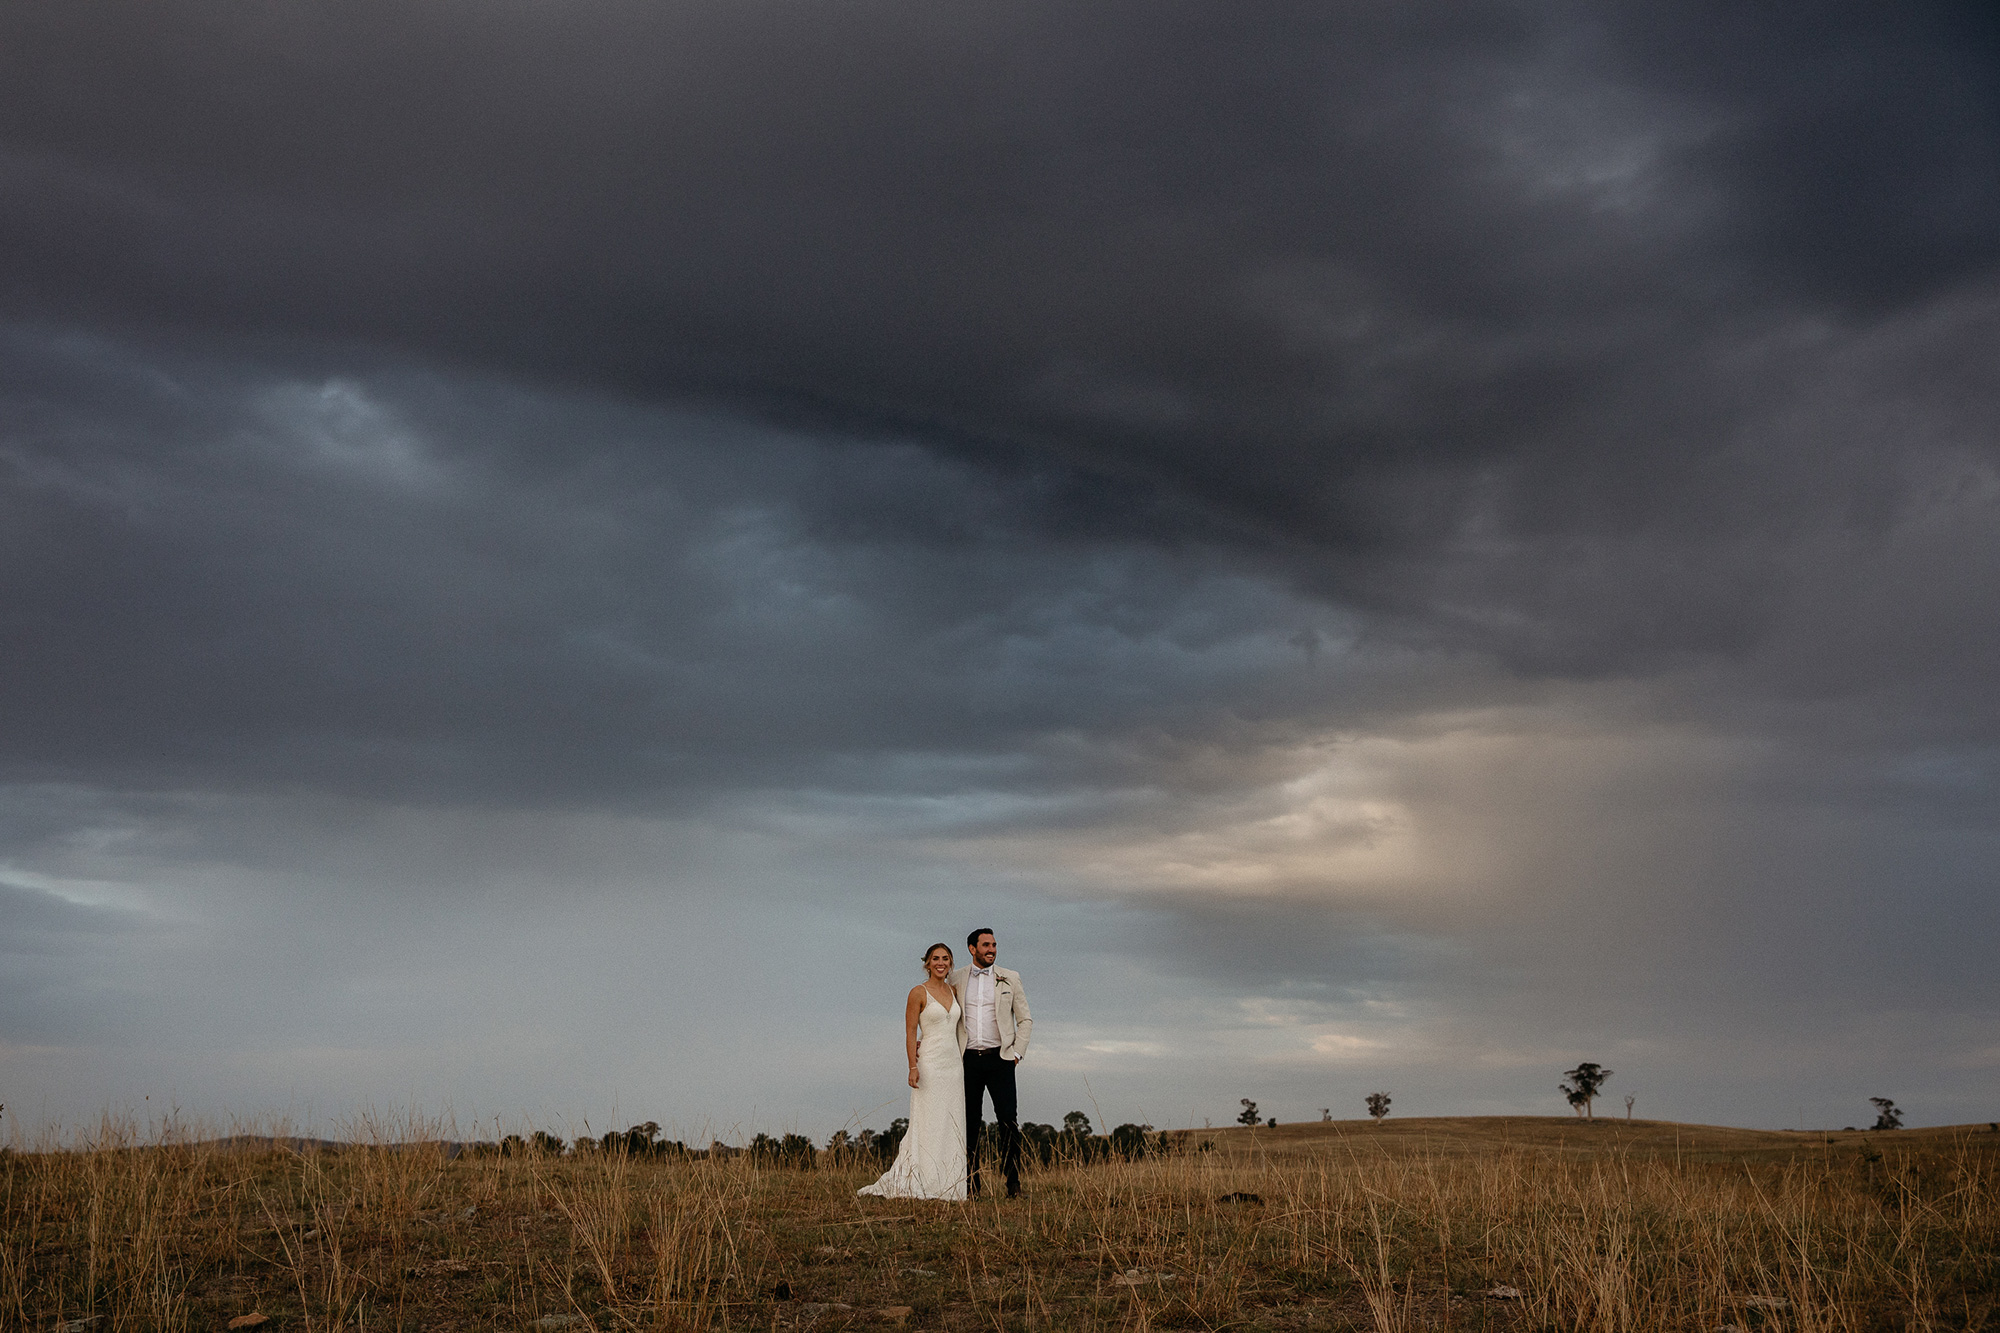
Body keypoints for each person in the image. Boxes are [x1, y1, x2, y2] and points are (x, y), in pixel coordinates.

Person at [857, 943, 968, 1200]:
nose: (941, 963)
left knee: (951, 1122)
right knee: (928, 1120)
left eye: (946, 959)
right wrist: (912, 1066)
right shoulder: (918, 993)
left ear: (951, 963)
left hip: (953, 1066)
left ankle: (949, 1183)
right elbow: (910, 1032)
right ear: (927, 963)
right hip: (929, 1063)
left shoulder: (953, 991)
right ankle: (923, 1179)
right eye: (935, 959)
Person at [951, 928, 1032, 1198]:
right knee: (970, 1123)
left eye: (994, 945)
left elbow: (1025, 1020)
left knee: (1008, 1122)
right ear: (972, 949)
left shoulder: (1010, 978)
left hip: (1001, 1060)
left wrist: (1017, 1053)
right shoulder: (956, 978)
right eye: (986, 945)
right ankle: (971, 1186)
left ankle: (1013, 1184)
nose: (992, 950)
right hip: (968, 1061)